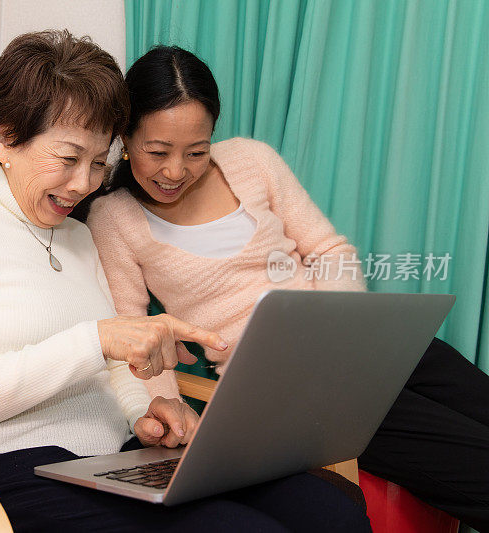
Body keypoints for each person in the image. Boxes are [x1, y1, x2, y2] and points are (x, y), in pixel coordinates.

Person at [0, 31, 371, 532]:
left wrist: (154, 410)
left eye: (99, 163)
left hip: (117, 456)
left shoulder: (79, 235)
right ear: (6, 139)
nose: (85, 184)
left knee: (330, 509)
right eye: (69, 158)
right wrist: (95, 340)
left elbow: (116, 368)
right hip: (9, 463)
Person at [86, 45, 489, 531]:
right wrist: (163, 409)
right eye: (157, 152)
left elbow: (329, 250)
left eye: (197, 151)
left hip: (358, 340)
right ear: (125, 136)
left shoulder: (253, 161)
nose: (175, 171)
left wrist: (341, 325)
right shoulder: (115, 218)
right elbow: (139, 340)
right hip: (300, 391)